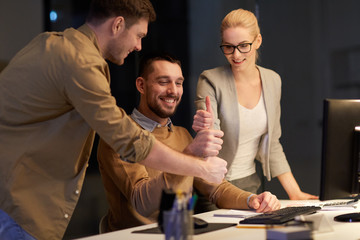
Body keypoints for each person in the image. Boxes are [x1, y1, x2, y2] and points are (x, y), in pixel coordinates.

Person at [0, 1, 227, 239]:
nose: (139, 46)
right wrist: (201, 166)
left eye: (178, 82)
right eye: (138, 35)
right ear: (118, 25)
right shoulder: (81, 62)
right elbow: (128, 139)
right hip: (17, 210)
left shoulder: (50, 43)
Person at [97, 52, 281, 232]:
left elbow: (215, 189)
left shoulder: (182, 135)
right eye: (163, 82)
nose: (173, 90)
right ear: (141, 85)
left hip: (180, 233)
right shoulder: (120, 137)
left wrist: (252, 200)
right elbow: (142, 201)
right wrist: (190, 154)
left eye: (179, 83)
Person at [193, 8, 318, 204]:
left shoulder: (272, 80)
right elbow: (211, 139)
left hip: (250, 185)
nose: (235, 55)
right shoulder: (210, 80)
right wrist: (205, 130)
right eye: (228, 47)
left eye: (243, 45)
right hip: (214, 185)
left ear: (258, 41)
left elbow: (272, 144)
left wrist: (295, 193)